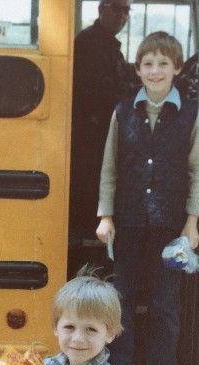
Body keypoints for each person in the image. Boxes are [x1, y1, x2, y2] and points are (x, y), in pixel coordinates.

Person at [94, 31, 199, 365]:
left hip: (170, 228)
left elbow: (198, 170)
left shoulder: (190, 114)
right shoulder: (123, 111)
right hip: (127, 222)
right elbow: (110, 167)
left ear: (177, 68)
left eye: (163, 63)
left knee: (165, 303)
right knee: (122, 298)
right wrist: (105, 215)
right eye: (147, 64)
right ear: (138, 70)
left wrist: (191, 222)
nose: (155, 71)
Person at [69, 1, 138, 255]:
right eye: (117, 9)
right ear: (101, 10)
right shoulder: (89, 44)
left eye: (126, 11)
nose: (122, 16)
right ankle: (92, 244)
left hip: (103, 129)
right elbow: (100, 92)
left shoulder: (108, 44)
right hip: (91, 133)